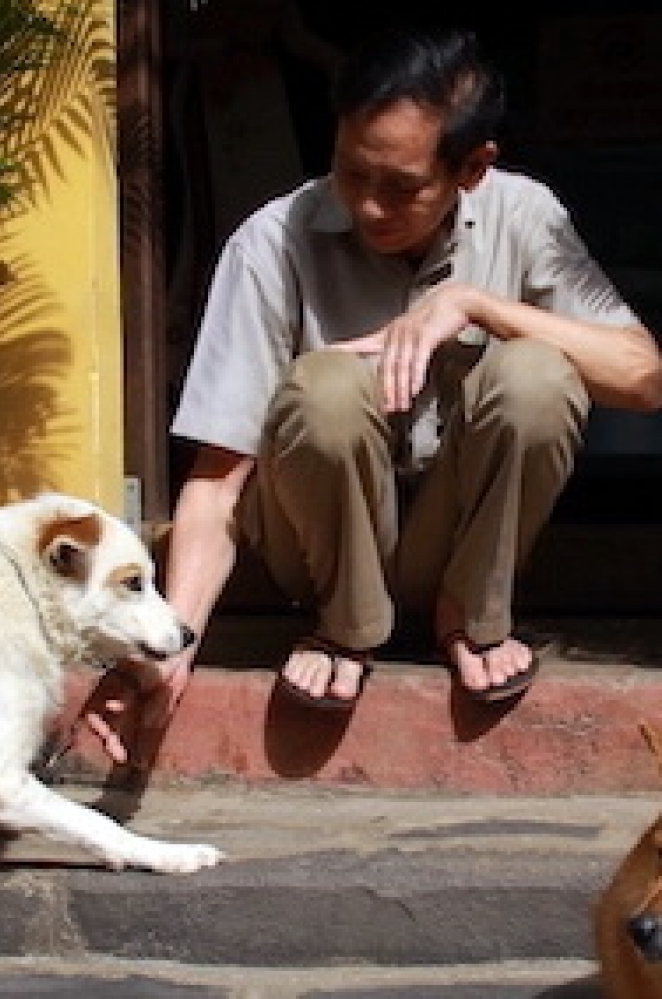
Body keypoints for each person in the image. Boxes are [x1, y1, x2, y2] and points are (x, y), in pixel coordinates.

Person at [82, 26, 662, 770]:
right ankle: (346, 627)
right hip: (318, 554)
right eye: (353, 173)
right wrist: (172, 645)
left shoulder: (526, 215)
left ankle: (470, 615)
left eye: (402, 186)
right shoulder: (272, 241)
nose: (369, 205)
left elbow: (643, 376)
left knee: (538, 374)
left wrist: (478, 305)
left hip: (453, 542)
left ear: (473, 168)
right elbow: (216, 483)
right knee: (324, 385)